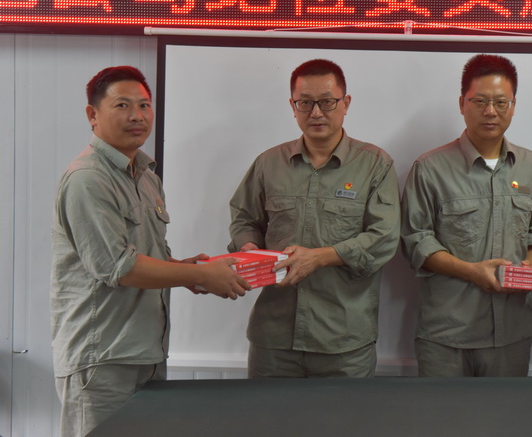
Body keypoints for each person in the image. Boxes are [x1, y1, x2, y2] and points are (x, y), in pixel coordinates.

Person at [51, 65, 250, 437]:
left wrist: (183, 270)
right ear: (92, 115)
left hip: (145, 353)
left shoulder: (146, 177)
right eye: (122, 105)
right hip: (103, 359)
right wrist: (200, 274)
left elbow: (143, 256)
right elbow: (119, 267)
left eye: (144, 105)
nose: (137, 116)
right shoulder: (88, 179)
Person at [228, 58, 400, 378]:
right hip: (274, 338)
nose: (316, 113)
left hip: (344, 340)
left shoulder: (375, 165)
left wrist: (319, 258)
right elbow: (244, 218)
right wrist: (249, 249)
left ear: (346, 103)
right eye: (305, 103)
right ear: (293, 106)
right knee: (264, 413)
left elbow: (384, 237)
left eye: (327, 102)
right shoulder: (269, 163)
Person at [401, 54, 532, 377]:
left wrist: (530, 264)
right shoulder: (429, 168)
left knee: (505, 412)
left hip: (511, 332)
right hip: (446, 336)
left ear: (513, 106)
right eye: (480, 101)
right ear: (462, 103)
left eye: (501, 102)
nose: (490, 111)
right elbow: (416, 241)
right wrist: (472, 272)